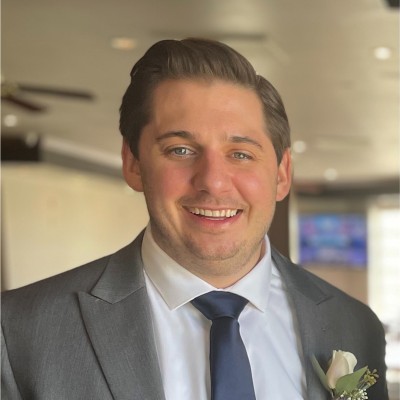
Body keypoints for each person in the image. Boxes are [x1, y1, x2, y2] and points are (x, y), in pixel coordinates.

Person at [1, 38, 388, 400]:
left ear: (282, 173)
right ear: (133, 163)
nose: (213, 182)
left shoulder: (354, 325)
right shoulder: (19, 331)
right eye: (181, 150)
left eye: (240, 154)